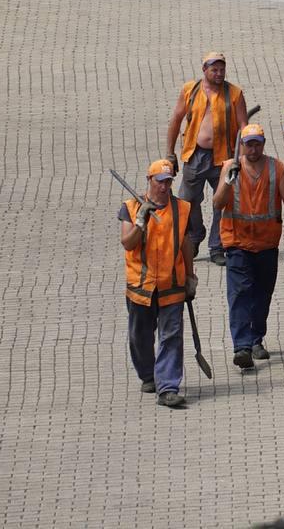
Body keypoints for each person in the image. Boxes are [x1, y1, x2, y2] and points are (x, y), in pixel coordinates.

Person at [212, 123, 284, 370]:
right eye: (249, 144)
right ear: (242, 145)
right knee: (240, 295)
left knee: (262, 295)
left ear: (263, 144)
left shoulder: (276, 168)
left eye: (257, 144)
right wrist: (227, 182)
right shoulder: (230, 167)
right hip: (237, 243)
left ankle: (256, 338)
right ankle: (242, 347)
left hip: (266, 244)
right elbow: (217, 203)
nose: (253, 149)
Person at [117, 159, 196, 409]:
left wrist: (191, 277)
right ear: (149, 180)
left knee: (171, 336)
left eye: (168, 182)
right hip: (141, 287)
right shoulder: (131, 208)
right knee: (139, 336)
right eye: (159, 182)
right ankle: (148, 375)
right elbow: (128, 243)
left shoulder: (182, 208)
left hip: (172, 285)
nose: (164, 187)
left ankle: (168, 387)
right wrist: (141, 222)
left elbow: (186, 244)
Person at [164, 52, 248, 266]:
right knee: (187, 200)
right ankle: (195, 234)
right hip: (195, 155)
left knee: (223, 202)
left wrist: (242, 158)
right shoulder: (190, 90)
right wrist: (170, 154)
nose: (219, 74)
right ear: (204, 70)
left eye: (222, 69)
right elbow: (176, 120)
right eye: (214, 70)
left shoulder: (235, 93)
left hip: (224, 157)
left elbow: (244, 127)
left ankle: (216, 247)